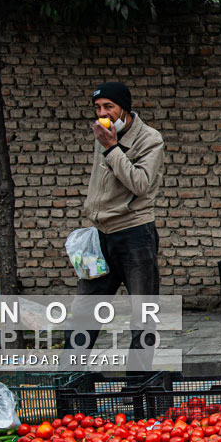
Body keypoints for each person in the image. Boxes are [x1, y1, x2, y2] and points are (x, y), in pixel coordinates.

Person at [65, 82, 164, 366]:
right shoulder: (104, 134)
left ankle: (139, 382)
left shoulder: (150, 139)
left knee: (142, 315)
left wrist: (111, 148)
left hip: (135, 235)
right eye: (98, 108)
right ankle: (71, 378)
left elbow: (141, 184)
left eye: (109, 106)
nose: (102, 112)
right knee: (85, 310)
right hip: (101, 235)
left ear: (124, 108)